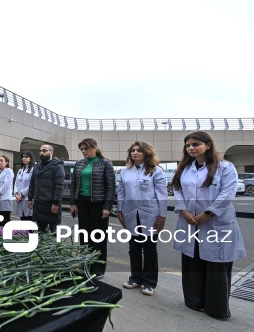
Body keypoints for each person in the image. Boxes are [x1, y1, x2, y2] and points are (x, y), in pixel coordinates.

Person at [171, 131, 246, 318]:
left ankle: (216, 308)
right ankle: (194, 302)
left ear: (208, 145)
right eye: (188, 145)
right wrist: (184, 210)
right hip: (190, 221)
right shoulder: (185, 169)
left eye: (195, 144)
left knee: (216, 264)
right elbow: (177, 189)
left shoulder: (225, 167)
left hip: (216, 223)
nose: (191, 148)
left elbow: (227, 194)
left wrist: (208, 213)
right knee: (192, 260)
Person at [117, 141, 168, 296]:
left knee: (150, 249)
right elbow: (121, 192)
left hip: (150, 214)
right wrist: (119, 210)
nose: (135, 153)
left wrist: (162, 216)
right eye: (133, 150)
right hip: (131, 213)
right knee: (134, 248)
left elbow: (162, 195)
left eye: (139, 150)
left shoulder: (156, 171)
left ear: (146, 153)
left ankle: (149, 282)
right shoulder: (126, 171)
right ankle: (135, 278)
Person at [69, 138, 115, 279]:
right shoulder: (79, 164)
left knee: (98, 237)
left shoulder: (105, 164)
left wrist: (107, 206)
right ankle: (85, 265)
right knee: (84, 235)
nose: (83, 151)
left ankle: (98, 268)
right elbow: (73, 185)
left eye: (86, 149)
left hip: (98, 204)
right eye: (81, 149)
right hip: (82, 203)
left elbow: (110, 187)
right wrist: (73, 203)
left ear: (94, 148)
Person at [28, 145, 65, 232]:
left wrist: (55, 203)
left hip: (51, 205)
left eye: (44, 151)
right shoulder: (37, 166)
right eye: (40, 151)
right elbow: (32, 182)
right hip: (39, 205)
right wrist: (30, 198)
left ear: (51, 152)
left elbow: (59, 186)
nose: (41, 153)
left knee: (54, 233)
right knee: (41, 231)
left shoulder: (57, 166)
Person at [0, 155, 14, 227]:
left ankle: (7, 237)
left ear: (6, 162)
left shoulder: (9, 171)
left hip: (4, 199)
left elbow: (6, 185)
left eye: (1, 161)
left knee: (5, 220)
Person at [14, 151, 35, 221]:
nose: (24, 158)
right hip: (19, 198)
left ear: (31, 159)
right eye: (23, 157)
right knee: (22, 220)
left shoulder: (33, 170)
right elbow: (16, 183)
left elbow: (31, 184)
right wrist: (16, 194)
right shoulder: (20, 170)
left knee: (28, 220)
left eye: (26, 157)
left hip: (27, 198)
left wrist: (22, 195)